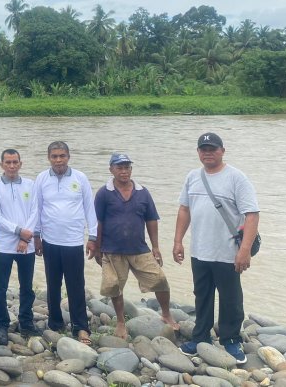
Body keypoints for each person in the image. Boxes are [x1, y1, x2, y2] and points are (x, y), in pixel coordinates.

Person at [173, 132, 260, 364]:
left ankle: (231, 339)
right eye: (203, 149)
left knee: (231, 298)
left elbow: (252, 215)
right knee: (202, 296)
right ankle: (200, 337)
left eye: (212, 148)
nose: (208, 153)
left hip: (228, 252)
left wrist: (245, 250)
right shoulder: (193, 177)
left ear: (222, 150)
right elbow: (184, 210)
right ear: (198, 152)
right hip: (199, 251)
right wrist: (177, 241)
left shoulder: (236, 178)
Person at [94, 153, 179, 340]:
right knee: (115, 286)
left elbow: (151, 220)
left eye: (127, 167)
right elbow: (97, 221)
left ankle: (166, 314)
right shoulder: (103, 193)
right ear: (111, 170)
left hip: (140, 248)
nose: (124, 171)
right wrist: (97, 246)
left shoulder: (142, 192)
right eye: (119, 167)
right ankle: (120, 322)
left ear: (131, 169)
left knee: (160, 280)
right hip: (112, 250)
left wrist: (155, 247)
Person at [32, 141, 97, 345]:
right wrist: (36, 236)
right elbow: (37, 209)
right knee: (53, 284)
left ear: (69, 156)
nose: (58, 160)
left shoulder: (80, 178)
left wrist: (93, 237)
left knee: (76, 285)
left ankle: (81, 326)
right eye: (54, 156)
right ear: (49, 158)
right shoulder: (42, 179)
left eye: (62, 156)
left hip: (73, 241)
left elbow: (89, 208)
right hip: (50, 241)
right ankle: (55, 322)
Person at [0, 148, 39, 345]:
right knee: (0, 288)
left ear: (20, 163)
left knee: (27, 286)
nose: (11, 165)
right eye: (7, 162)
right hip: (3, 245)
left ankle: (26, 322)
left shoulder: (30, 185)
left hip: (28, 245)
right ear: (1, 164)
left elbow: (35, 212)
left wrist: (25, 239)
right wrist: (19, 231)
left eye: (15, 162)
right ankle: (2, 324)